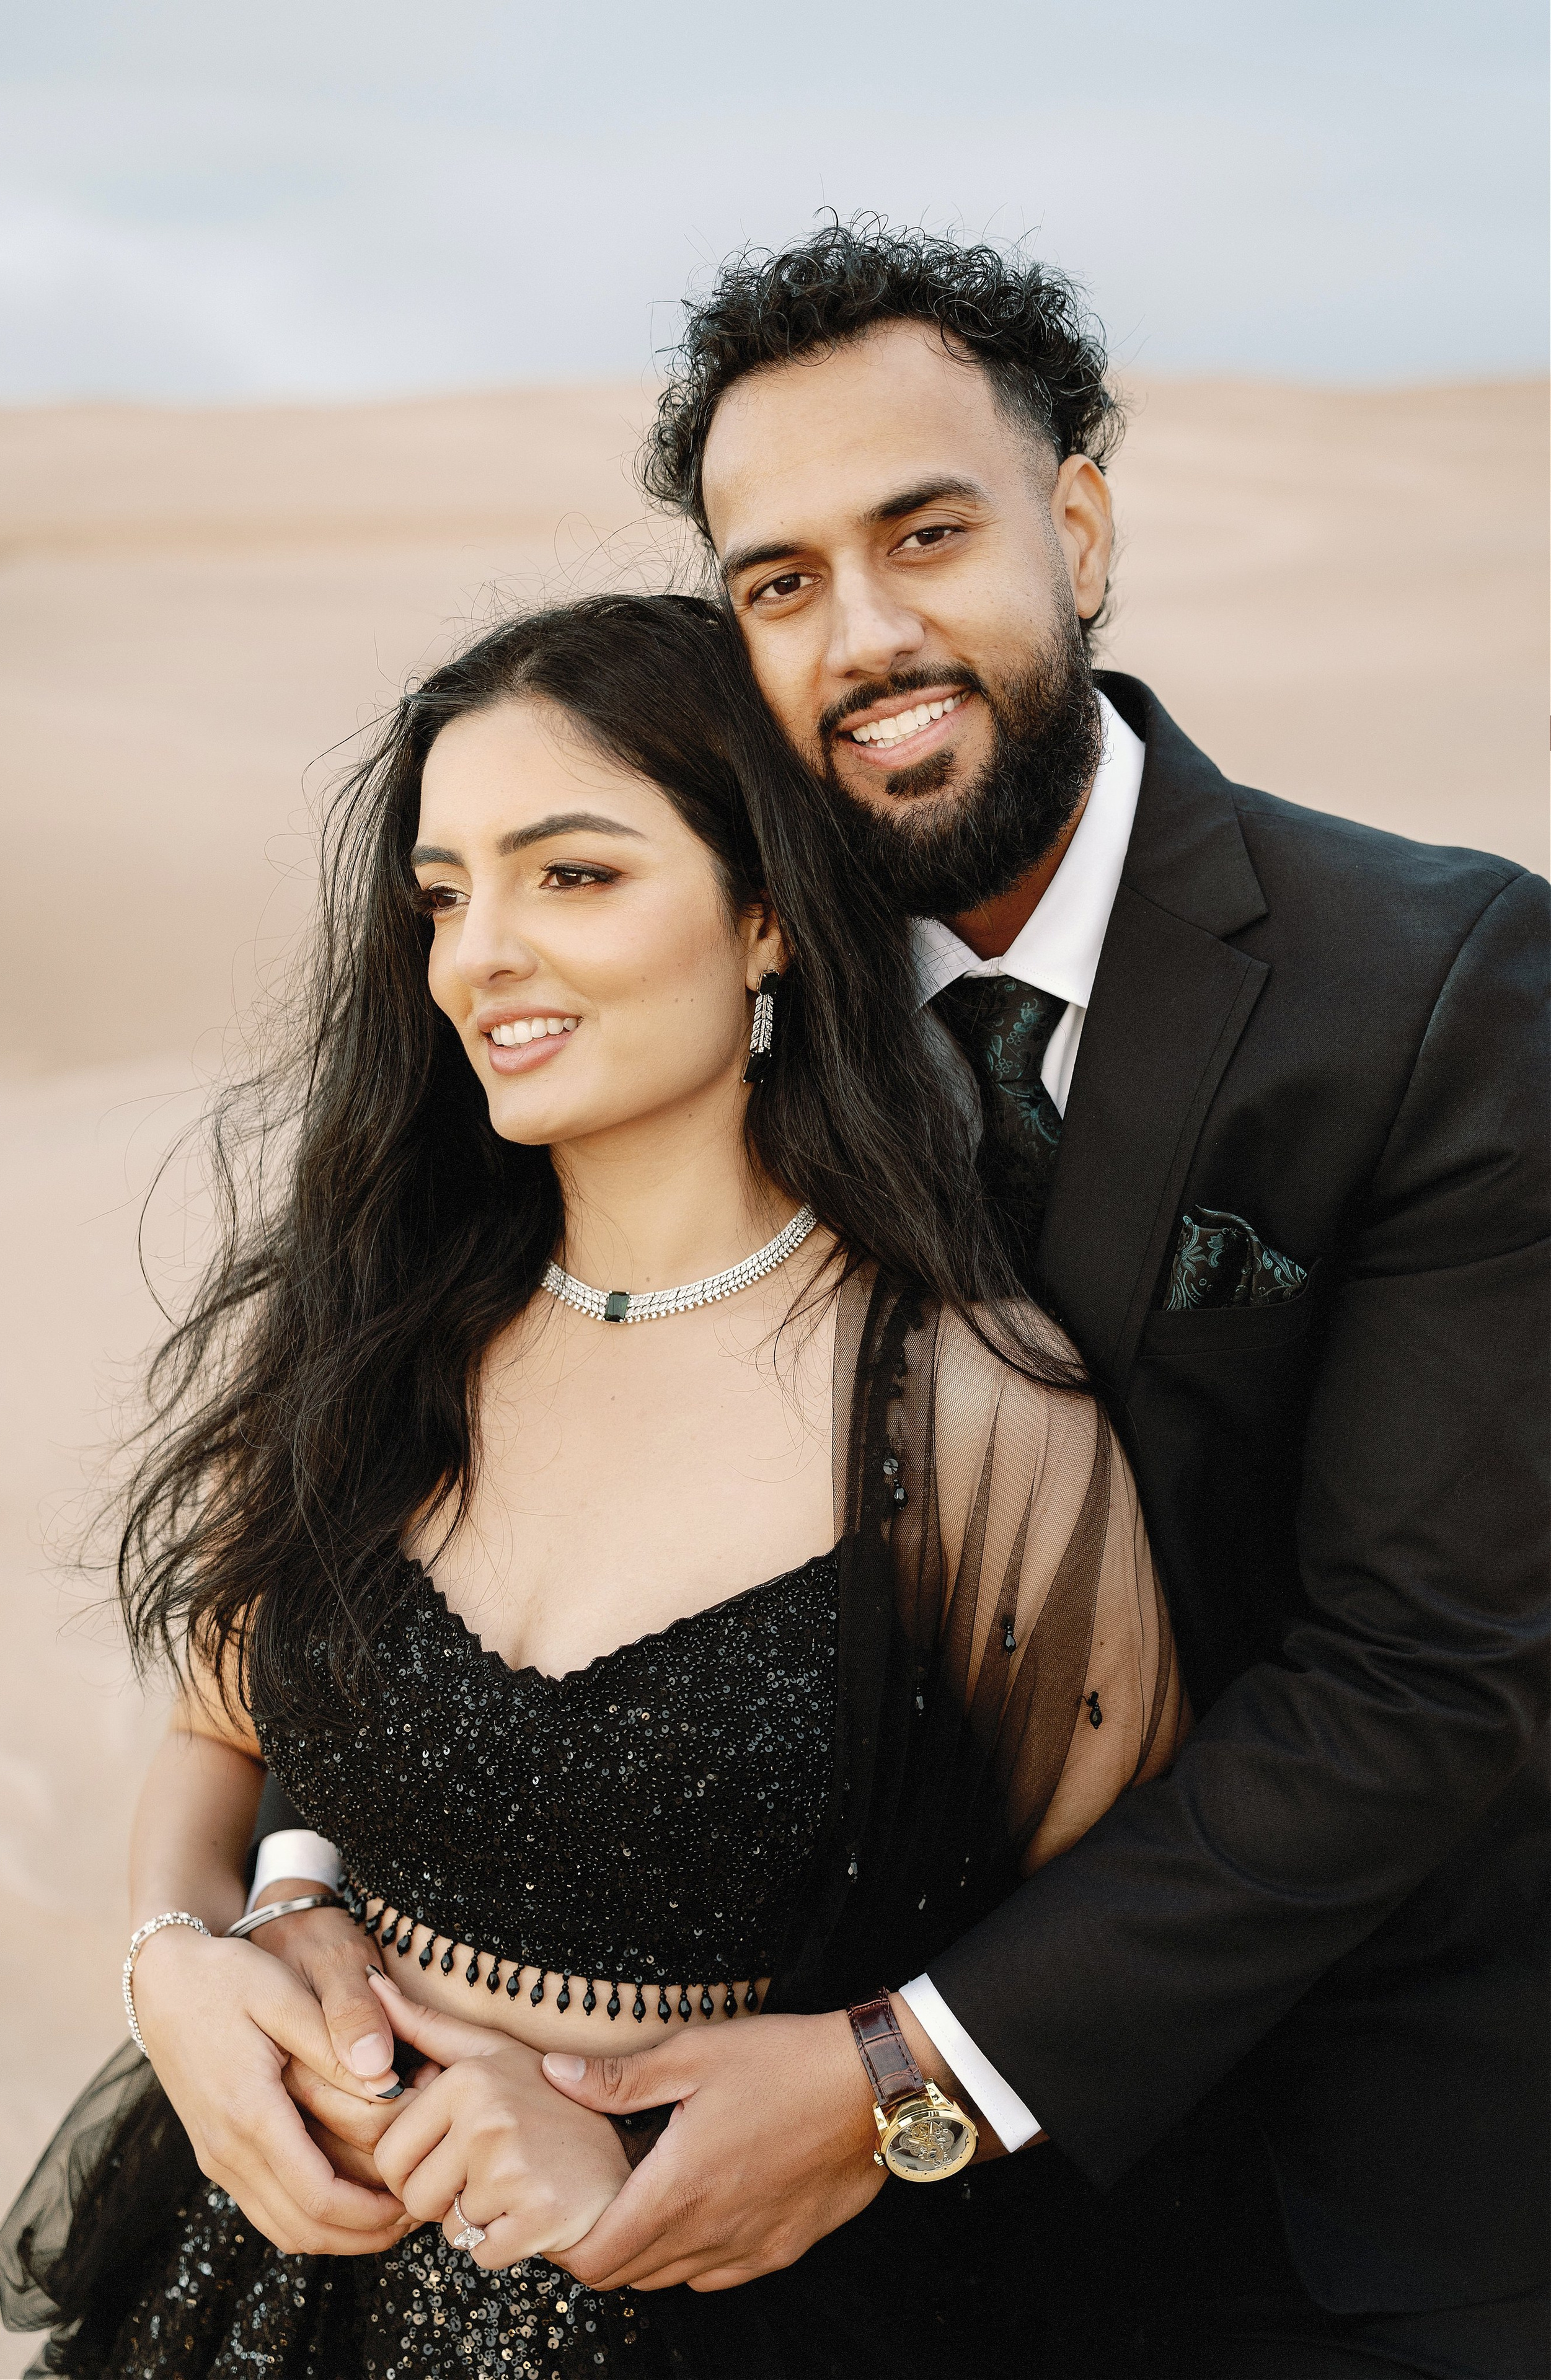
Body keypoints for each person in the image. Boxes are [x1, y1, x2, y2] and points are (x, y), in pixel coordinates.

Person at [257, 223, 1550, 2375]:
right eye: (778, 582)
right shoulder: (679, 971)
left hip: (1329, 2208)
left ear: (1082, 523)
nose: (866, 637)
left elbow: (1424, 1678)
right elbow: (408, 1493)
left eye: (926, 535)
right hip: (756, 2238)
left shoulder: (1436, 991)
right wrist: (258, 1905)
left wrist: (902, 2075)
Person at [0, 590, 1184, 2379]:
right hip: (256, 2305)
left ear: (768, 913)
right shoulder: (383, 1326)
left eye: (573, 876)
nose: (480, 956)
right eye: (444, 897)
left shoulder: (971, 1418)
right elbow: (219, 1738)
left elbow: (1107, 1970)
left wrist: (681, 2139)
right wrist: (183, 1960)